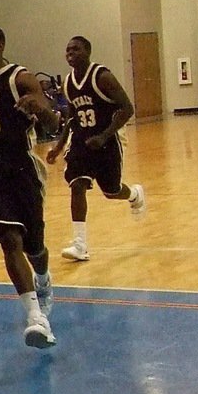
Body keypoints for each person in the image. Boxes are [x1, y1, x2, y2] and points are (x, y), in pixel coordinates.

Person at [0, 23, 60, 349]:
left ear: (0, 44)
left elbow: (54, 122)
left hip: (22, 169)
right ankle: (35, 317)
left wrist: (40, 108)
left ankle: (43, 280)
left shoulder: (20, 77)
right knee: (9, 238)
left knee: (35, 247)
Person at [46, 36, 146, 262]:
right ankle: (80, 245)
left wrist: (104, 135)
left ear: (87, 52)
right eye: (68, 50)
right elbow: (72, 117)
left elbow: (127, 108)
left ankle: (134, 194)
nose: (70, 53)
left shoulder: (102, 77)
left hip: (109, 137)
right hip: (82, 140)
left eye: (76, 49)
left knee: (111, 191)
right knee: (77, 184)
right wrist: (59, 146)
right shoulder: (69, 83)